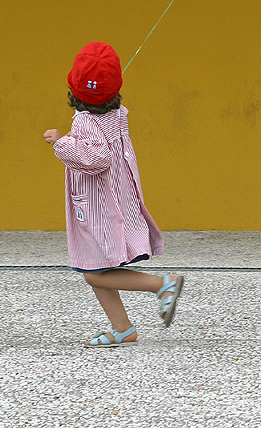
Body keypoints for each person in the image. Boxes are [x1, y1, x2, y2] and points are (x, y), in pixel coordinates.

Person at [43, 41, 182, 347]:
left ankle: (162, 285)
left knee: (94, 273)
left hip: (98, 203)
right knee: (94, 263)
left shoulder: (85, 120)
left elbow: (95, 159)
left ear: (73, 89)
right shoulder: (117, 113)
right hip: (115, 196)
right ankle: (122, 328)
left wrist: (60, 142)